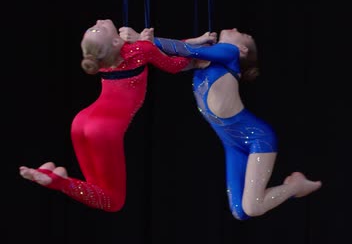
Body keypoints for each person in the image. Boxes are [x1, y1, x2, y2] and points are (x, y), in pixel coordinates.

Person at [125, 28, 322, 220]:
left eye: (243, 34)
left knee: (252, 208)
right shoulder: (205, 60)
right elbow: (171, 62)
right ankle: (293, 187)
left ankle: (295, 186)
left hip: (257, 138)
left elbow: (186, 50)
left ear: (242, 50)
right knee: (240, 212)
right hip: (231, 143)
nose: (235, 28)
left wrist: (145, 40)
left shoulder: (231, 52)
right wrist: (145, 43)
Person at [18, 19, 213, 212]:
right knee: (113, 202)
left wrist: (195, 41)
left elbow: (154, 47)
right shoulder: (140, 50)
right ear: (115, 42)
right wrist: (197, 54)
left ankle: (55, 178)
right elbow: (174, 64)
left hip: (82, 121)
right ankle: (59, 183)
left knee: (99, 189)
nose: (99, 21)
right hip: (104, 127)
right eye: (100, 27)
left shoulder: (103, 57)